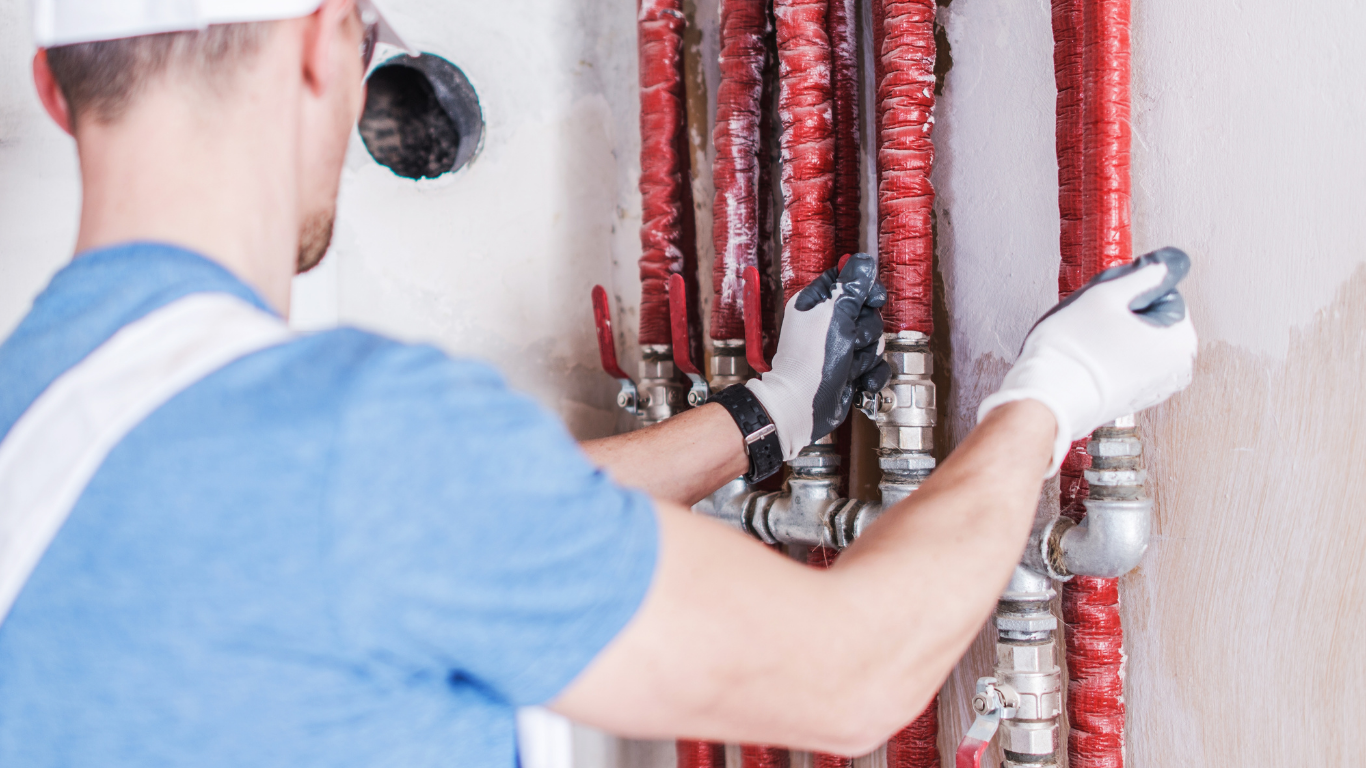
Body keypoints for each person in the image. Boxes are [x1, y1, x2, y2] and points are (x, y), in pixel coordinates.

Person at [0, 1, 1198, 766]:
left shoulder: (44, 425)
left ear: (56, 93)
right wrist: (1053, 393)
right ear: (326, 49)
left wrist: (760, 420)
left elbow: (486, 515)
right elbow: (850, 674)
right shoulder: (356, 443)